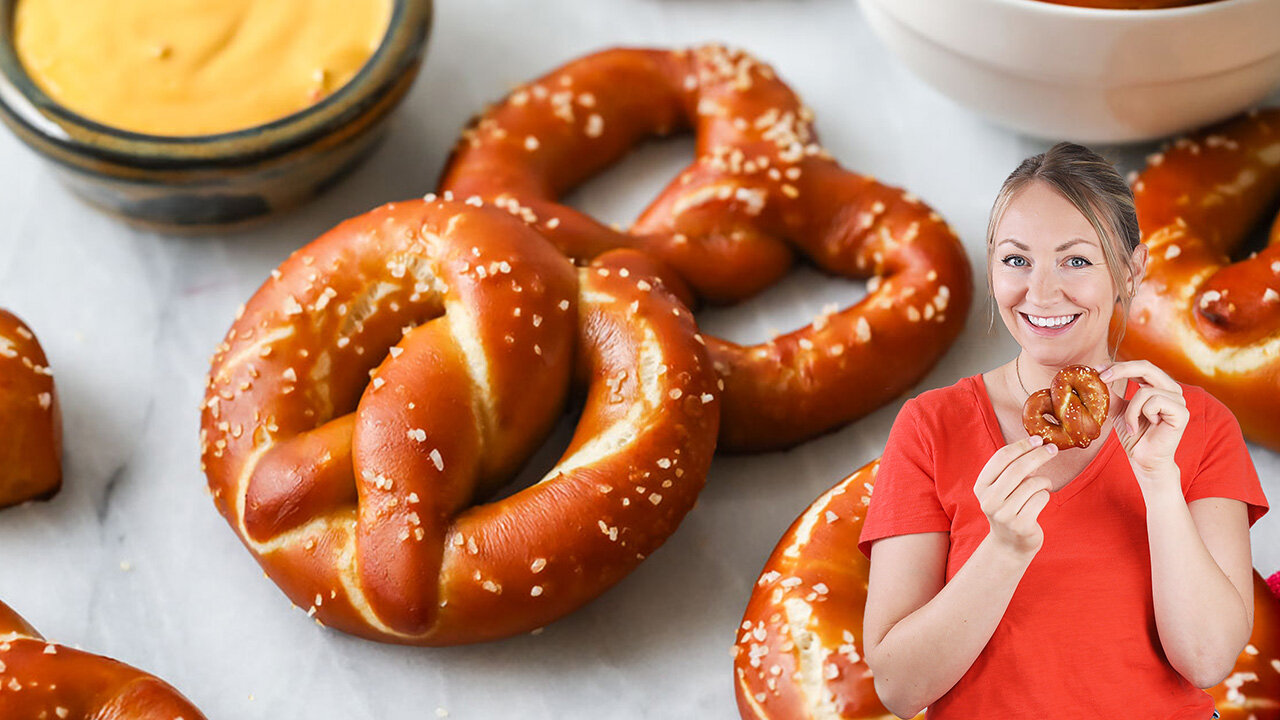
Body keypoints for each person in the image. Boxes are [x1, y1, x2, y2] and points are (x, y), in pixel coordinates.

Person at [857, 142, 1269, 718]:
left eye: (1076, 260)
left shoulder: (1196, 423)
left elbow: (1207, 658)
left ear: (1130, 270)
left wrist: (1158, 480)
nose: (1041, 292)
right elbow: (899, 689)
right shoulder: (932, 425)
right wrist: (1004, 549)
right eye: (1016, 260)